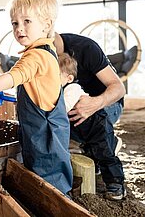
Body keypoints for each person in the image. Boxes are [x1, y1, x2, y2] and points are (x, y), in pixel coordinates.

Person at [0, 0, 73, 196]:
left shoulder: (36, 56)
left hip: (45, 134)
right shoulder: (46, 51)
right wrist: (9, 97)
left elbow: (14, 76)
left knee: (50, 184)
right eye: (14, 23)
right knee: (45, 177)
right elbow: (36, 88)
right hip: (45, 129)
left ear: (46, 25)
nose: (19, 28)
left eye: (27, 21)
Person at [54, 32, 127, 200]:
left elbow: (61, 111)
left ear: (69, 77)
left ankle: (116, 185)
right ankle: (97, 149)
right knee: (97, 150)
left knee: (106, 155)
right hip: (84, 126)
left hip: (99, 119)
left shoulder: (72, 89)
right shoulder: (60, 87)